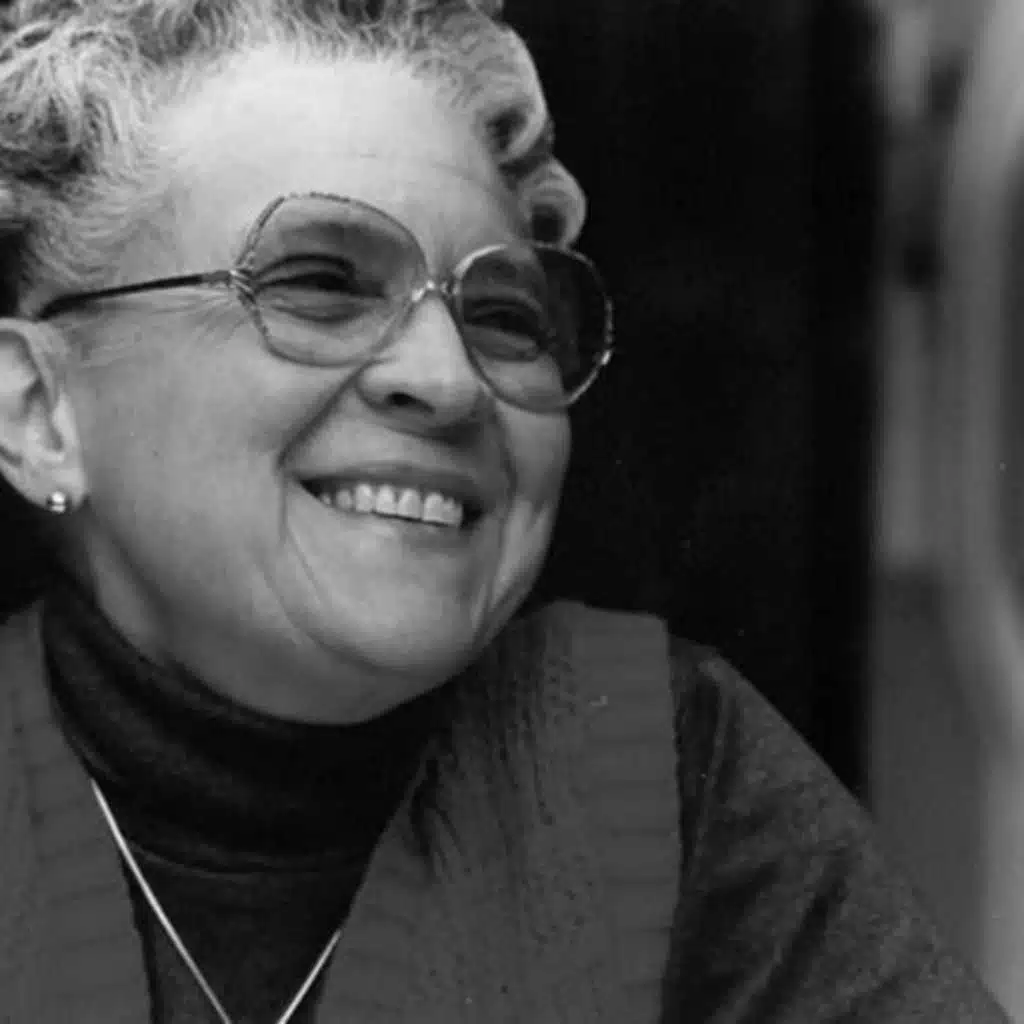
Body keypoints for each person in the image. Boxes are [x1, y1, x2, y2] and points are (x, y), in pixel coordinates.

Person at [0, 1, 1009, 1021]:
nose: (450, 380)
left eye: (502, 316)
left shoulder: (670, 771)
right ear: (40, 413)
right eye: (317, 284)